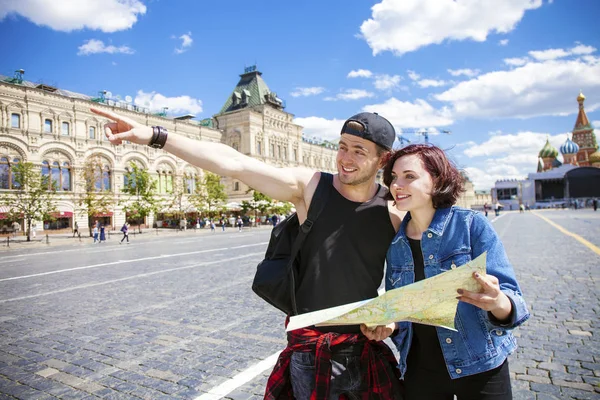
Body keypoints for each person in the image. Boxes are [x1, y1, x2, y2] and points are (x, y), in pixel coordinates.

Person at [92, 107, 405, 399]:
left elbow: (420, 278)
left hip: (365, 350)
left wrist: (391, 321)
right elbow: (235, 162)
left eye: (358, 151)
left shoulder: (394, 210)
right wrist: (155, 136)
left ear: (382, 159)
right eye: (342, 146)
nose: (345, 158)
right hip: (310, 352)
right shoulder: (310, 188)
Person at [364, 144, 530, 400]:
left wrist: (497, 301)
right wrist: (391, 324)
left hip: (480, 367)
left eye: (410, 176)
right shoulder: (396, 243)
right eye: (393, 178)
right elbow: (403, 309)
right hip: (420, 371)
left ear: (437, 180)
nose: (397, 185)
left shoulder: (471, 225)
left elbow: (514, 301)